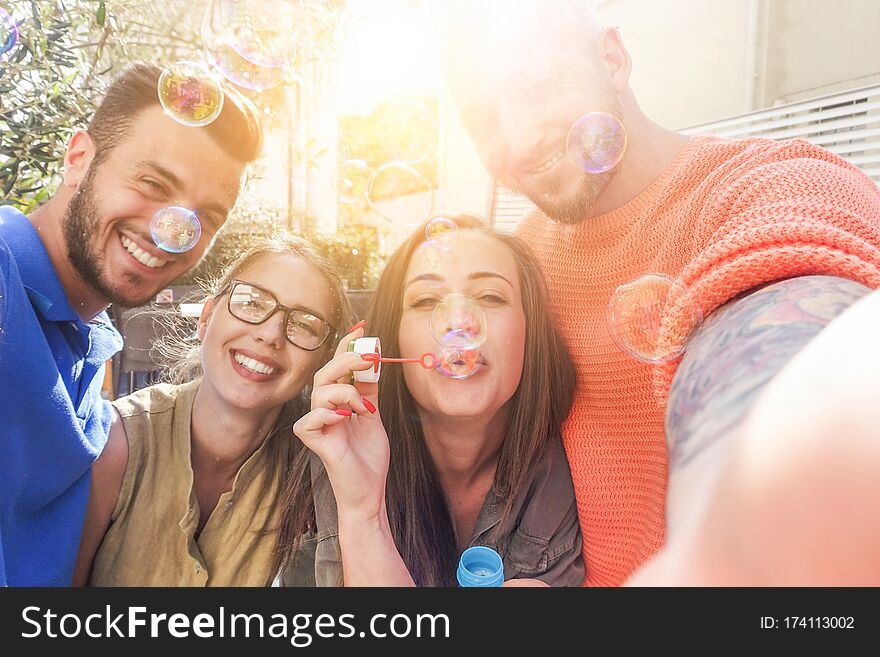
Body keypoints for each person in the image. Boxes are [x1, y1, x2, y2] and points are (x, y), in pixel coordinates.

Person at [438, 2, 880, 585]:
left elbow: (777, 332)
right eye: (483, 120)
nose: (517, 139)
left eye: (538, 85)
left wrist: (747, 516)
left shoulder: (777, 185)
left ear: (613, 59)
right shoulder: (517, 268)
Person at [0, 62, 263, 586]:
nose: (173, 233)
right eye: (152, 183)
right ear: (79, 159)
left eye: (205, 218)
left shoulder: (89, 348)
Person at [282, 216, 585, 586]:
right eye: (426, 300)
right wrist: (364, 514)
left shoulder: (564, 471)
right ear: (392, 339)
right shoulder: (343, 444)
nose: (458, 322)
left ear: (530, 331)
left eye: (490, 296)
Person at [73, 234, 353, 586]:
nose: (271, 334)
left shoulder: (323, 469)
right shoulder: (116, 440)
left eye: (304, 324)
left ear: (322, 360)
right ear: (205, 319)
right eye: (252, 302)